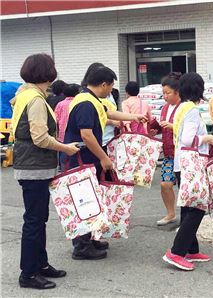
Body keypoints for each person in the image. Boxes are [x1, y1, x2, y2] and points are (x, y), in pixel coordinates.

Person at [65, 65, 147, 260]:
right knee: (84, 200)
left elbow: (109, 113)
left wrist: (134, 116)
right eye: (111, 86)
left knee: (93, 199)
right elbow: (86, 135)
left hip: (87, 157)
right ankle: (82, 246)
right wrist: (103, 157)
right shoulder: (85, 103)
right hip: (81, 158)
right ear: (103, 84)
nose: (111, 90)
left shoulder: (92, 99)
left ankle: (91, 238)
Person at [12, 54, 80, 289]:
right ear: (47, 72)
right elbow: (40, 137)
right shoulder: (36, 100)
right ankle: (28, 274)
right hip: (35, 168)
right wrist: (65, 148)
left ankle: (40, 265)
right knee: (34, 220)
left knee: (38, 219)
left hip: (30, 167)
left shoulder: (24, 94)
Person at [163, 72, 213, 271]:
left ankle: (191, 249)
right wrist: (208, 139)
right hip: (191, 165)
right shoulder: (192, 110)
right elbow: (188, 140)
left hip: (182, 164)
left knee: (188, 206)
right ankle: (177, 252)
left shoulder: (181, 107)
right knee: (197, 208)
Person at [154, 72, 184, 226]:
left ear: (177, 92)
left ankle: (190, 215)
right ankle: (171, 213)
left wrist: (173, 126)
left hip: (183, 154)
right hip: (168, 153)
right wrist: (156, 129)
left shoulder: (184, 107)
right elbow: (162, 126)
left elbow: (191, 129)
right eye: (163, 93)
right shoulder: (165, 108)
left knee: (185, 186)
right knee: (165, 184)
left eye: (168, 93)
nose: (165, 96)